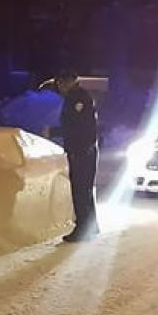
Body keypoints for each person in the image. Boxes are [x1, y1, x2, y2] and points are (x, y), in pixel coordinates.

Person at [55, 71, 100, 242]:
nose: (59, 87)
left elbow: (79, 126)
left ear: (69, 82)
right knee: (85, 190)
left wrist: (54, 132)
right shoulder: (76, 97)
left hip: (82, 151)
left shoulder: (78, 98)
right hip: (83, 149)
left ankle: (82, 229)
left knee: (80, 190)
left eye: (61, 83)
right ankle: (90, 226)